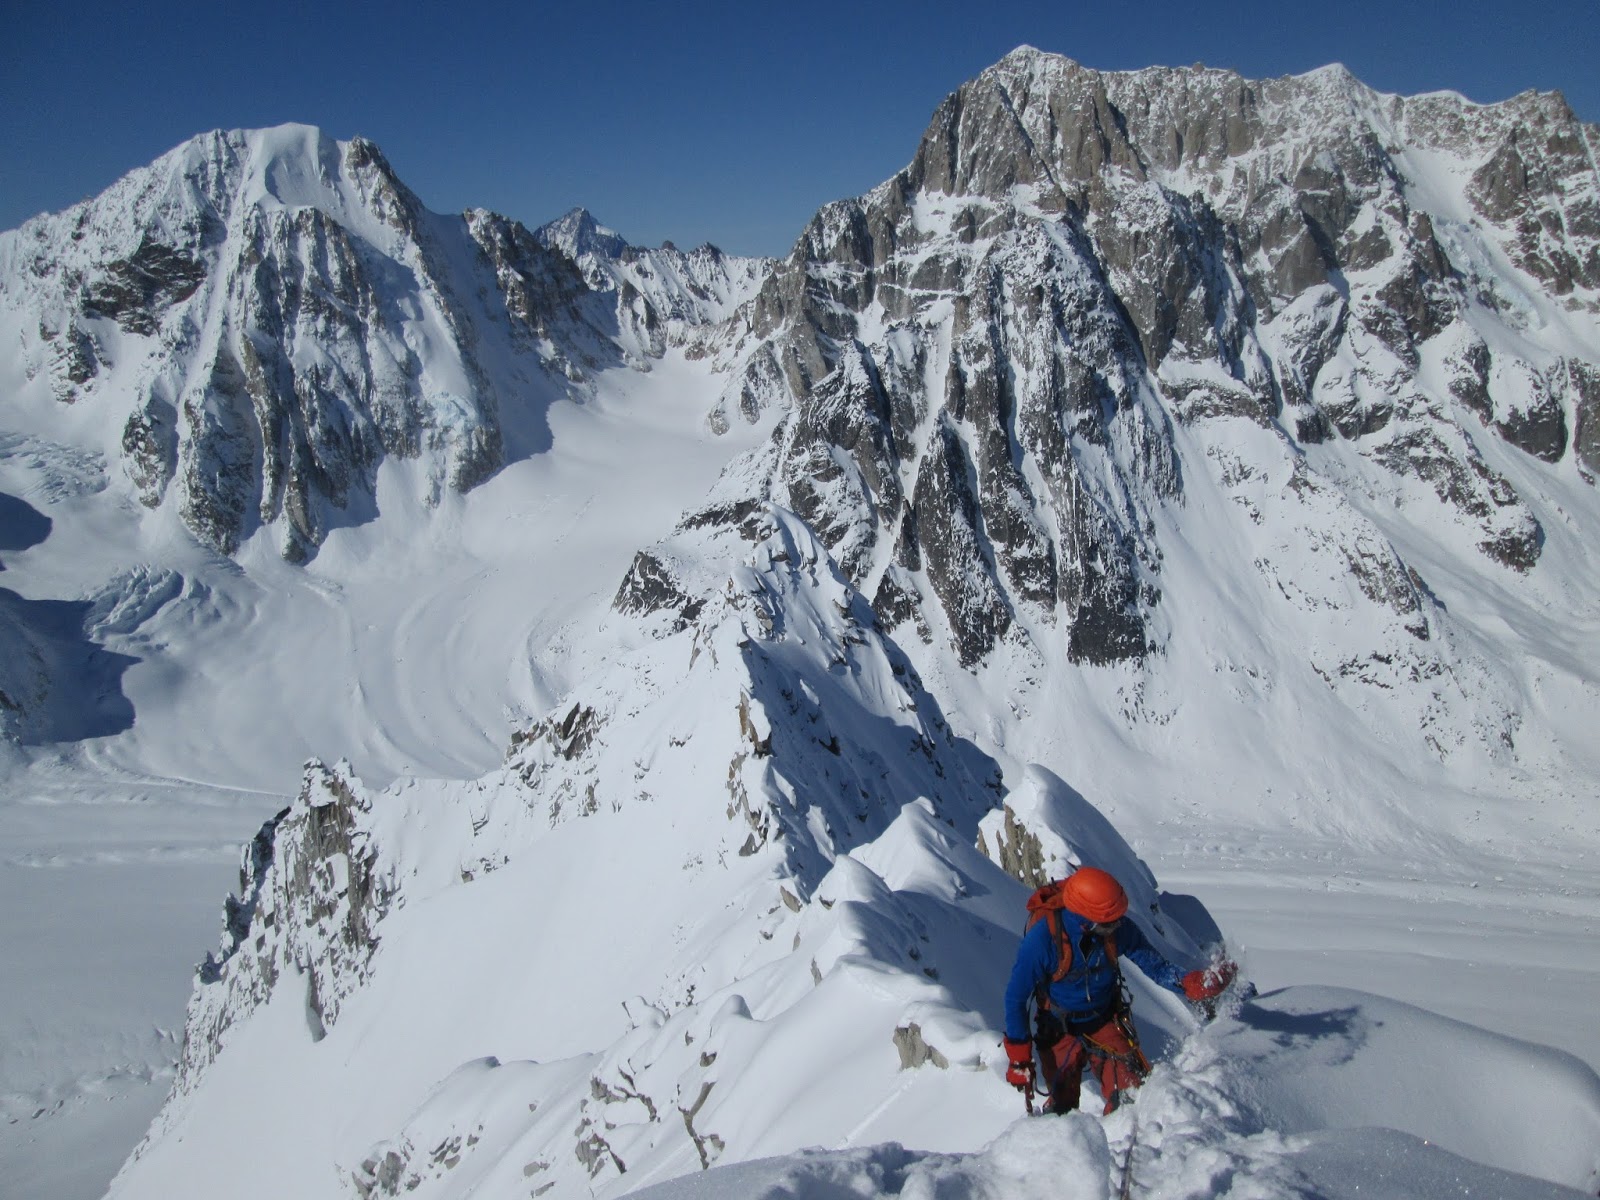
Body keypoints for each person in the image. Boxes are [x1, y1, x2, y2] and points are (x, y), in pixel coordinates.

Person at [1002, 866, 1234, 1115]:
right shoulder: (1042, 941)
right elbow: (1015, 998)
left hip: (1105, 1020)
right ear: (1087, 920)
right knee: (1063, 1108)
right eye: (1109, 922)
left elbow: (1155, 966)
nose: (1117, 925)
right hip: (1059, 1028)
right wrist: (1019, 1058)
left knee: (1131, 1099)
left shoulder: (1116, 928)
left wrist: (1191, 983)